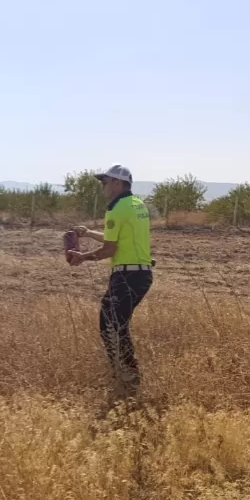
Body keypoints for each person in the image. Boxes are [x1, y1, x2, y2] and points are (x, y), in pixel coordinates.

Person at [66, 164, 153, 403]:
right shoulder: (136, 204)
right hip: (141, 275)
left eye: (105, 182)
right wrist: (88, 233)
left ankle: (128, 376)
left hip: (126, 275)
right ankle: (125, 374)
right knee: (116, 324)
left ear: (117, 183)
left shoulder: (115, 208)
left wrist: (83, 257)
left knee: (110, 326)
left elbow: (110, 249)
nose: (103, 186)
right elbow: (116, 238)